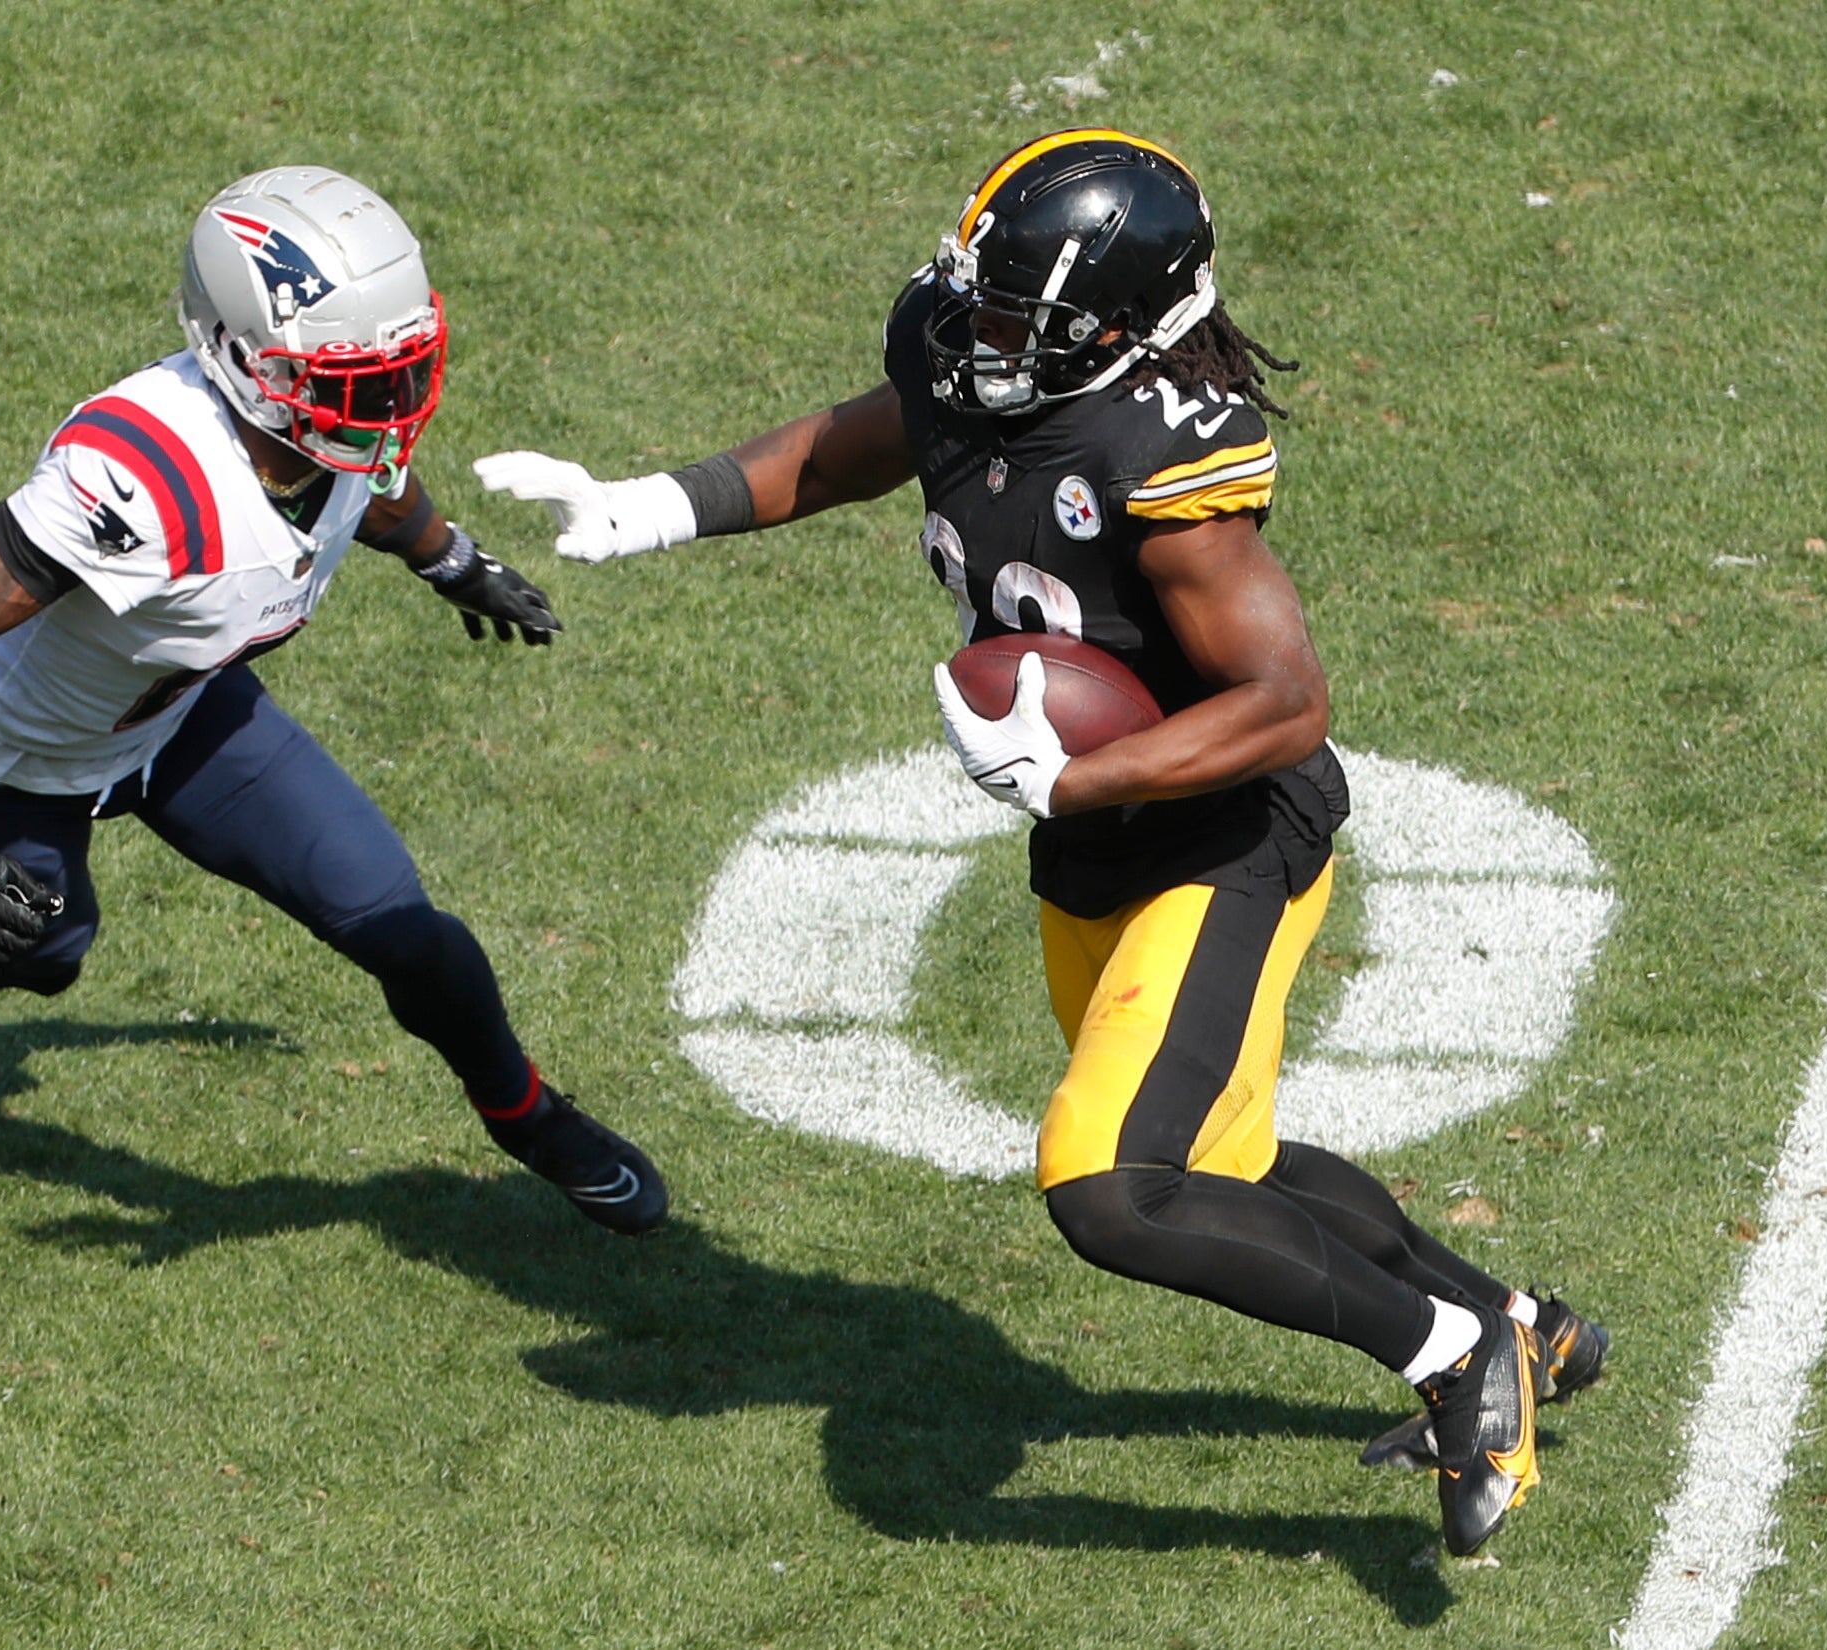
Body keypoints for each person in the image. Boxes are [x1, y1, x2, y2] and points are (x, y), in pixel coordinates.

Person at [475, 130, 1602, 1552]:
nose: (982, 335)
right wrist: (649, 507)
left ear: (1126, 328)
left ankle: (1451, 1356)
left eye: (1025, 316)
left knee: (1112, 1186)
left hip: (1224, 839)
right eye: (985, 298)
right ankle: (1521, 1324)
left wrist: (1081, 776)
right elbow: (858, 443)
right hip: (1101, 848)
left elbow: (1289, 701)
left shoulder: (1163, 450)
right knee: (1217, 1172)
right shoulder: (965, 347)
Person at [0, 165, 665, 1237]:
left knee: (403, 923)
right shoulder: (147, 474)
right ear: (240, 358)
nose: (386, 407)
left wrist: (453, 561)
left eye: (396, 372)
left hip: (178, 712)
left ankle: (527, 1116)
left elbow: (372, 489)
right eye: (353, 380)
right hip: (10, 751)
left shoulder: (332, 428)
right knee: (45, 949)